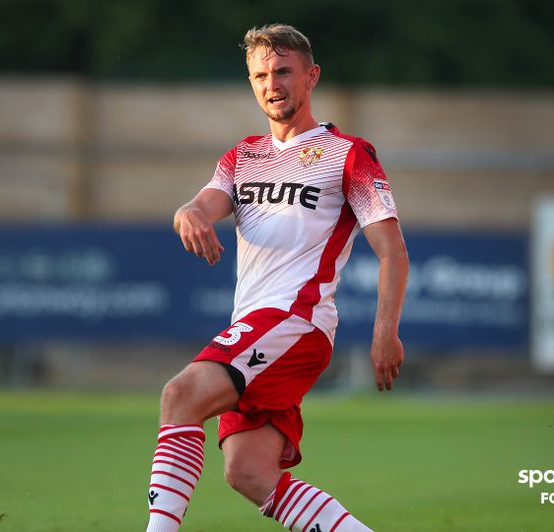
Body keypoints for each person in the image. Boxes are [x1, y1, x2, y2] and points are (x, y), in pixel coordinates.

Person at [144, 23, 409, 532]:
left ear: (311, 77)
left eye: (285, 71)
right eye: (261, 74)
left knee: (180, 395)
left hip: (296, 319)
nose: (273, 84)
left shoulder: (349, 154)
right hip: (259, 327)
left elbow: (392, 250)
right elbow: (199, 205)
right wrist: (188, 214)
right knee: (248, 471)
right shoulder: (243, 156)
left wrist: (385, 331)